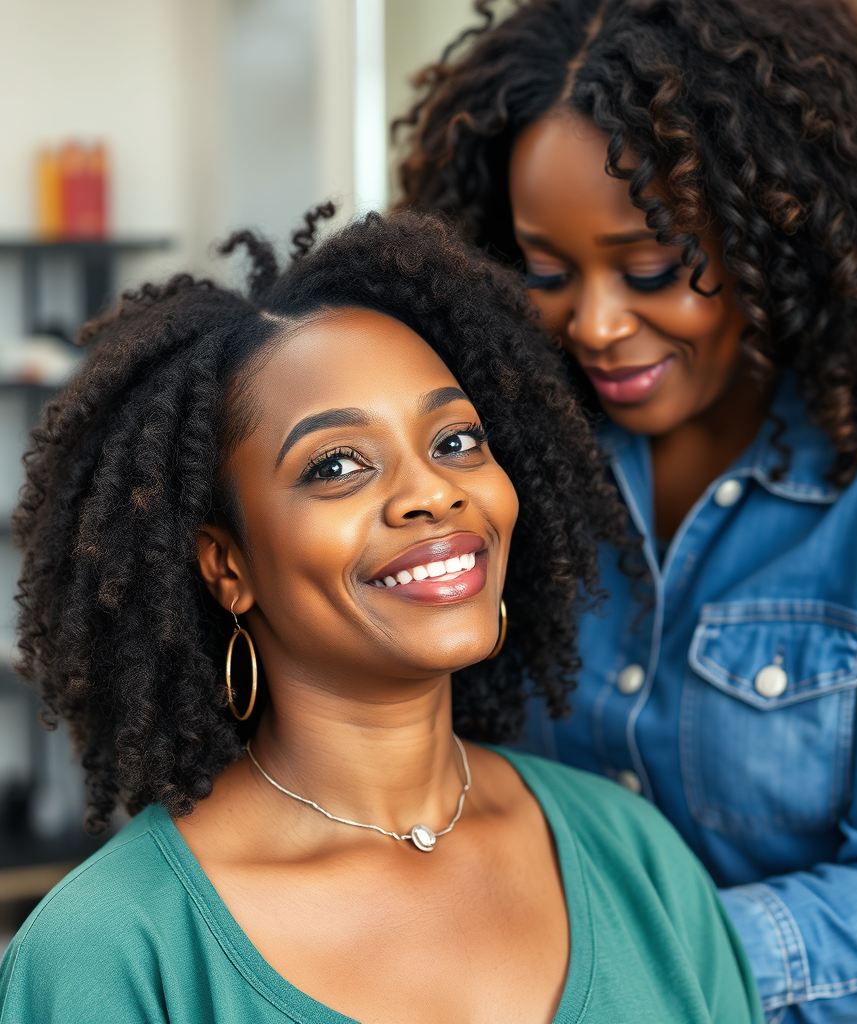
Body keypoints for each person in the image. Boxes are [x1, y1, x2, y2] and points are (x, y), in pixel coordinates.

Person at [395, 1, 857, 1020]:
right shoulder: (518, 442)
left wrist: (582, 965)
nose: (593, 325)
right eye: (545, 272)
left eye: (652, 267)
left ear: (778, 227)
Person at [0, 209, 762, 1024]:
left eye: (457, 441)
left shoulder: (633, 857)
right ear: (228, 566)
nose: (435, 492)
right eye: (336, 464)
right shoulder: (110, 951)